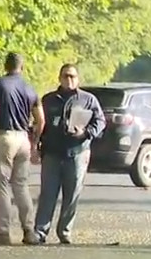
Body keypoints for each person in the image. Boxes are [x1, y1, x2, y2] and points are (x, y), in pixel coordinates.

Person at [33, 64, 106, 244]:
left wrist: (86, 132)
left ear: (78, 79)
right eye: (66, 76)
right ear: (59, 78)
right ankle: (40, 231)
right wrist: (36, 145)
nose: (69, 80)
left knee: (72, 193)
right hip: (52, 153)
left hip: (77, 152)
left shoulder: (88, 100)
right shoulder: (49, 99)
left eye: (73, 76)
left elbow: (101, 121)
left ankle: (65, 231)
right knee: (48, 193)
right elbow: (39, 123)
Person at [0, 52, 45, 246]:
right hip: (23, 138)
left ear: (5, 66)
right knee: (21, 185)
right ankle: (29, 230)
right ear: (22, 67)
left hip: (4, 135)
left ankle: (2, 230)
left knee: (0, 184)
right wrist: (35, 142)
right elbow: (40, 120)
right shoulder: (30, 88)